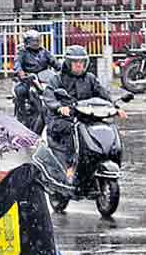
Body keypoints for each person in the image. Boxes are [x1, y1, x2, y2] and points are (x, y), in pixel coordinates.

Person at [42, 44, 123, 177]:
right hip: (64, 118)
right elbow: (49, 95)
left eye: (82, 62)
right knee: (70, 130)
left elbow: (103, 94)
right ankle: (70, 164)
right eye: (75, 62)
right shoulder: (57, 79)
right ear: (68, 63)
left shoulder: (90, 78)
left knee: (106, 127)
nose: (79, 65)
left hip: (87, 116)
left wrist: (115, 107)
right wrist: (59, 107)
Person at [12, 30, 56, 133]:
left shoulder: (44, 52)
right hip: (28, 79)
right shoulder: (22, 52)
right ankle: (22, 116)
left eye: (37, 41)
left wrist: (63, 69)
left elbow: (54, 62)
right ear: (27, 42)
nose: (36, 43)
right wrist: (21, 73)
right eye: (33, 41)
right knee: (21, 91)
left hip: (42, 80)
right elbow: (17, 63)